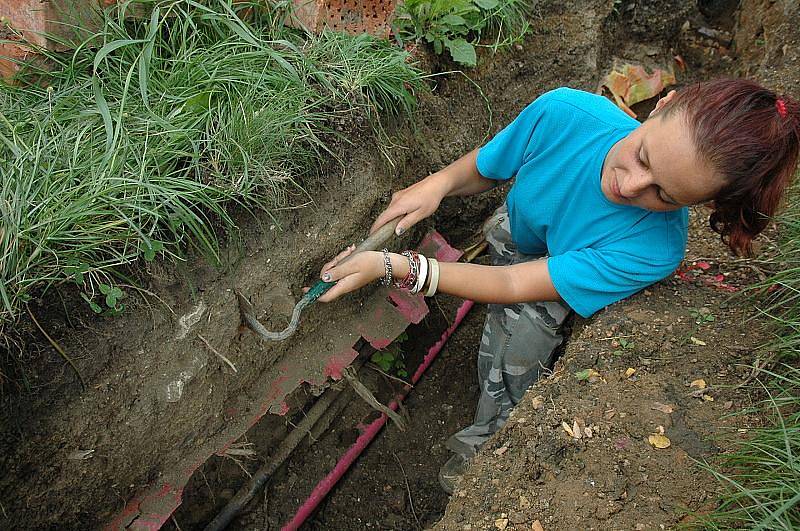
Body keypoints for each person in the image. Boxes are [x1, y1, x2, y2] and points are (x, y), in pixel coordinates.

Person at [312, 79, 800, 494]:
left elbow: (511, 283)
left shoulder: (653, 249)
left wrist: (397, 267)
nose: (631, 187)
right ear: (663, 104)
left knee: (516, 352)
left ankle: (489, 440)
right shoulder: (564, 113)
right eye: (643, 156)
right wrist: (436, 185)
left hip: (551, 278)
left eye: (664, 195)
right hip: (523, 230)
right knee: (502, 244)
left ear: (707, 202)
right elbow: (487, 166)